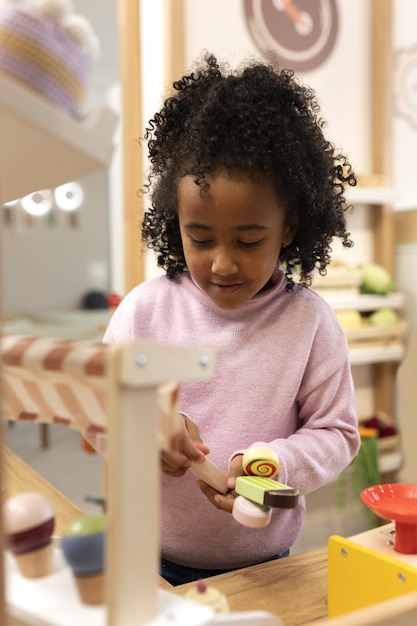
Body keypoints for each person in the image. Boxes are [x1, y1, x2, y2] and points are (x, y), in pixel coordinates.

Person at [103, 52, 360, 586]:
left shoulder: (309, 325)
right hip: (151, 560)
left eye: (248, 241)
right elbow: (98, 410)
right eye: (199, 238)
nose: (222, 263)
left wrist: (276, 463)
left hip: (267, 566)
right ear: (175, 223)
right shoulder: (146, 312)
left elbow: (337, 433)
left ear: (289, 226)